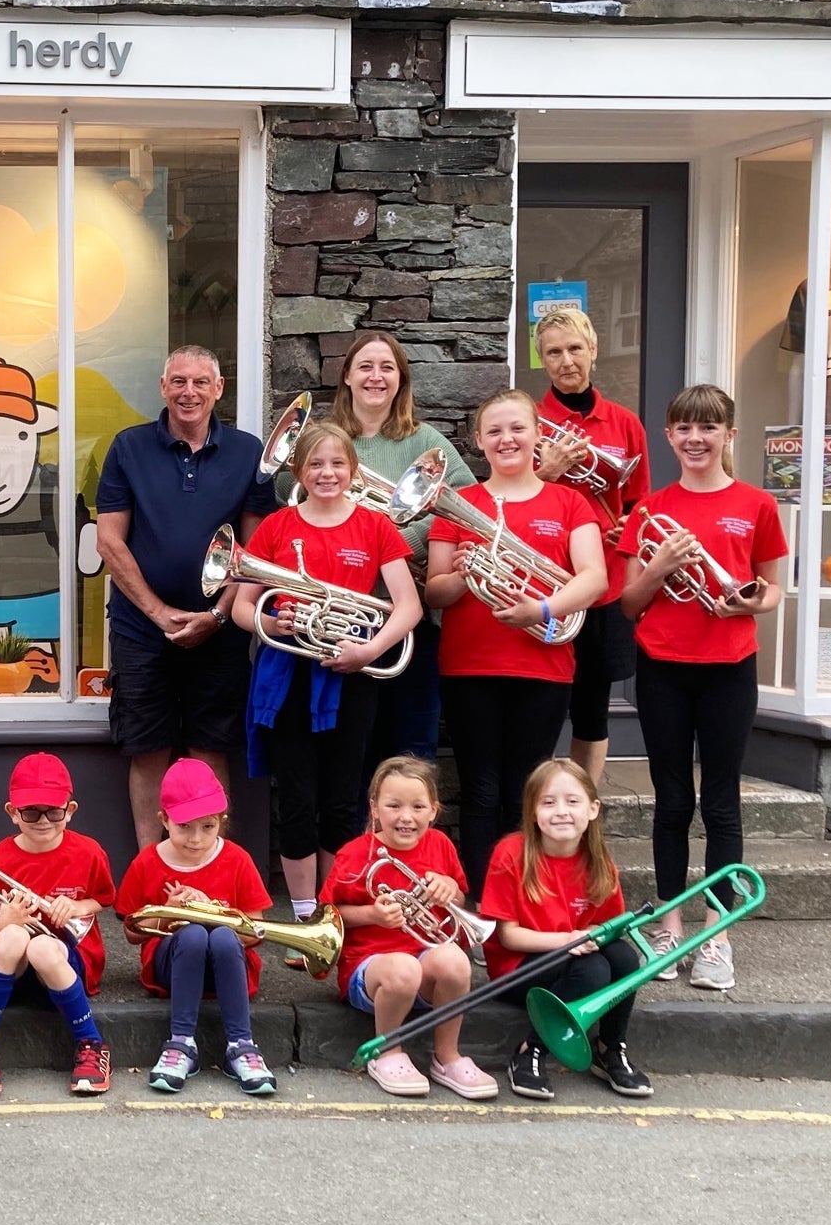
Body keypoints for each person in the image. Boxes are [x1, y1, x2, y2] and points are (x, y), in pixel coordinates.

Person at [618, 384, 784, 993]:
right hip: (663, 665)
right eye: (684, 427)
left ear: (728, 436)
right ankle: (668, 924)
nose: (695, 438)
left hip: (729, 665)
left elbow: (771, 590)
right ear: (669, 435)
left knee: (720, 802)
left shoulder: (756, 504)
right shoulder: (650, 509)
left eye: (708, 428)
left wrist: (746, 603)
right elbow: (630, 605)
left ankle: (716, 933)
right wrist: (661, 567)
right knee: (670, 801)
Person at [232, 420, 420, 954]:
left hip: (352, 674)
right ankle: (302, 916)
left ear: (353, 471)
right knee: (295, 798)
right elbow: (246, 608)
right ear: (300, 471)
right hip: (290, 676)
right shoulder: (275, 527)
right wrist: (272, 626)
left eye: (338, 463)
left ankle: (332, 913)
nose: (327, 473)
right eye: (316, 464)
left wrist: (368, 649)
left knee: (341, 798)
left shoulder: (376, 526)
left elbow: (408, 606)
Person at [425, 389, 609, 903]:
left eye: (517, 428)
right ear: (480, 441)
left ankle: (521, 907)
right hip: (469, 667)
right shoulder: (461, 505)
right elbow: (433, 590)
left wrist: (542, 610)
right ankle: (485, 908)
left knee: (527, 793)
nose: (507, 439)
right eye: (495, 431)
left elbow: (592, 578)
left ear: (537, 436)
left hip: (544, 666)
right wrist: (463, 576)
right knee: (481, 792)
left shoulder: (569, 501)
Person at [96, 346, 278, 849]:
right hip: (140, 627)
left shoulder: (249, 453)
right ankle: (151, 882)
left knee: (210, 749)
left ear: (219, 389)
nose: (189, 392)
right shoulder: (128, 447)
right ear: (162, 387)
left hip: (219, 630)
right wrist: (159, 614)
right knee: (147, 749)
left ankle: (215, 879)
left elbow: (257, 548)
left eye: (201, 382)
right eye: (178, 381)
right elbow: (109, 540)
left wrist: (218, 616)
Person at [332, 330, 475, 777]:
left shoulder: (425, 440)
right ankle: (355, 848)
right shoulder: (326, 440)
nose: (376, 376)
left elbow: (469, 503)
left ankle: (410, 846)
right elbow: (292, 498)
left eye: (387, 367)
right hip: (342, 613)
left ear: (401, 380)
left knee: (411, 750)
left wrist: (402, 543)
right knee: (349, 752)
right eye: (366, 367)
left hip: (409, 615)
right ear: (347, 377)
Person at [322, 757, 496, 1100]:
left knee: (455, 960)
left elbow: (457, 898)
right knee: (403, 968)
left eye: (418, 807)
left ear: (433, 810)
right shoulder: (355, 855)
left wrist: (449, 887)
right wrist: (372, 914)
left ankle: (447, 1056)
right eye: (394, 805)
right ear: (374, 807)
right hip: (369, 969)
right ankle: (386, 1052)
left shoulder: (440, 845)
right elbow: (328, 913)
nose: (406, 817)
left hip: (423, 962)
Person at [483, 759, 653, 1101]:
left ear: (592, 810)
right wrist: (567, 941)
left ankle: (611, 1047)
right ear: (532, 812)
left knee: (624, 958)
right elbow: (508, 936)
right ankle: (528, 1051)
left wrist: (592, 937)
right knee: (593, 968)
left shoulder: (599, 862)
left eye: (572, 802)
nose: (561, 811)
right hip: (515, 970)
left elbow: (607, 927)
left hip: (570, 960)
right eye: (548, 802)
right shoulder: (510, 853)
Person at [531, 309, 651, 789]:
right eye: (554, 352)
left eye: (575, 349)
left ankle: (584, 805)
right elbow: (507, 499)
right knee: (542, 704)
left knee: (592, 707)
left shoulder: (623, 423)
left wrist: (630, 527)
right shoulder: (530, 423)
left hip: (606, 586)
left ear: (594, 350)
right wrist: (548, 472)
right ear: (542, 360)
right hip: (546, 580)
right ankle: (540, 803)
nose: (566, 361)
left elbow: (642, 502)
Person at [113, 759, 278, 1096]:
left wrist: (213, 914)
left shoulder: (237, 859)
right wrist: (170, 915)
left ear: (221, 822)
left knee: (218, 935)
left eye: (208, 826)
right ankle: (180, 1044)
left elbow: (256, 930)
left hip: (227, 964)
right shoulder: (147, 862)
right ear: (163, 820)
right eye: (184, 826)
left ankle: (242, 1046)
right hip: (170, 965)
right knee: (190, 934)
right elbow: (132, 931)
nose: (196, 838)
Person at [0, 752, 115, 1096]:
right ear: (12, 813)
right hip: (9, 970)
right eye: (30, 812)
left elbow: (103, 900)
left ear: (70, 810)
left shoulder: (89, 852)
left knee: (42, 945)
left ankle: (91, 1043)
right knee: (15, 936)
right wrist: (3, 923)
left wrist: (77, 906)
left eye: (54, 811)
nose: (43, 820)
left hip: (62, 962)